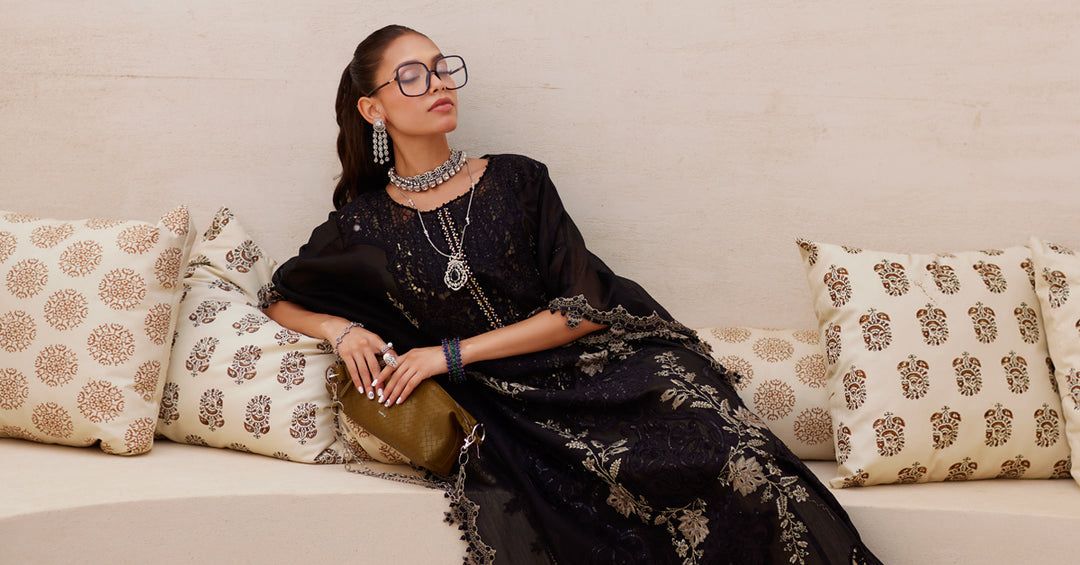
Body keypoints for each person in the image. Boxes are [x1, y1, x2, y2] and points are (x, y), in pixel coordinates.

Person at [262, 24, 884, 565]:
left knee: (737, 454)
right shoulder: (363, 226)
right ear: (373, 108)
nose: (439, 83)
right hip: (509, 410)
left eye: (442, 68)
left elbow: (582, 309)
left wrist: (446, 355)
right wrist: (340, 331)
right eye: (413, 76)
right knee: (587, 505)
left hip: (601, 369)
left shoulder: (518, 179)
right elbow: (278, 298)